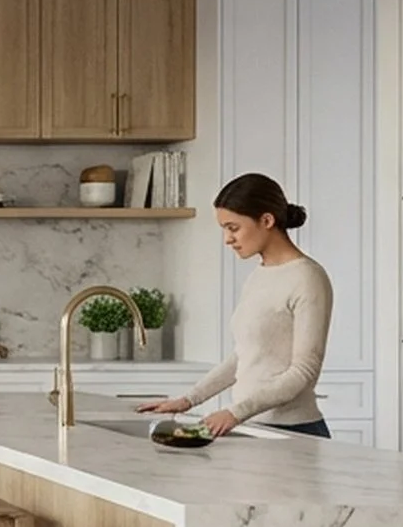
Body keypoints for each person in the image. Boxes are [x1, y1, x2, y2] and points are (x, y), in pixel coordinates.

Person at [138, 173, 335, 438]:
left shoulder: (308, 278)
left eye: (233, 228)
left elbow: (304, 372)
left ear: (267, 220)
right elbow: (244, 357)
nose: (227, 239)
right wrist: (188, 400)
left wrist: (235, 413)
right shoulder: (259, 274)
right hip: (255, 427)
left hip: (294, 431)